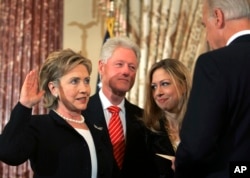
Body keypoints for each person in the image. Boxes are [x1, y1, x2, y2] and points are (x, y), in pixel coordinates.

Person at [0, 49, 114, 178]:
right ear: (54, 89)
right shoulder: (39, 126)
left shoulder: (97, 128)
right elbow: (8, 153)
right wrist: (24, 105)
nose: (84, 89)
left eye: (86, 81)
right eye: (74, 81)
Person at [174, 0, 250, 177]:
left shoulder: (214, 63)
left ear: (218, 17)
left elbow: (197, 145)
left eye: (204, 25)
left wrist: (179, 164)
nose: (207, 37)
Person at [82, 36, 154, 178]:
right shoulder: (80, 113)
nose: (126, 71)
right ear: (102, 67)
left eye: (132, 67)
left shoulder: (144, 118)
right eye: (119, 64)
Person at [143, 59, 191, 178]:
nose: (158, 92)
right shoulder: (146, 131)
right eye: (154, 87)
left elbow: (239, 169)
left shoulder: (207, 125)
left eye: (165, 84)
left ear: (183, 85)